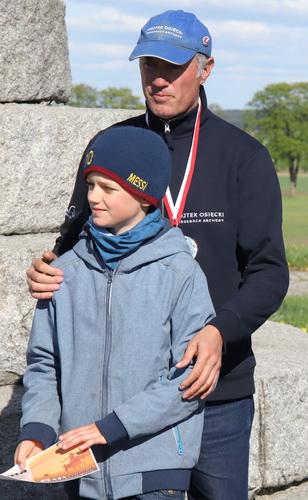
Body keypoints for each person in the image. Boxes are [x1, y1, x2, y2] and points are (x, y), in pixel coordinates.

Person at [25, 10, 289, 499]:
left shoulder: (244, 156)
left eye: (173, 67)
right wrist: (45, 270)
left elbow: (270, 274)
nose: (159, 79)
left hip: (215, 390)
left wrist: (220, 330)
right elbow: (73, 247)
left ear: (206, 69)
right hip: (122, 405)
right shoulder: (110, 146)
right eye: (149, 65)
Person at [16, 126, 214, 499]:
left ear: (144, 197)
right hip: (79, 471)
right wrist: (38, 430)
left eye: (109, 188)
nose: (93, 197)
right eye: (91, 185)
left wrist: (113, 427)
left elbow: (189, 377)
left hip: (155, 476)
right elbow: (44, 364)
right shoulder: (64, 272)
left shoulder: (179, 272)